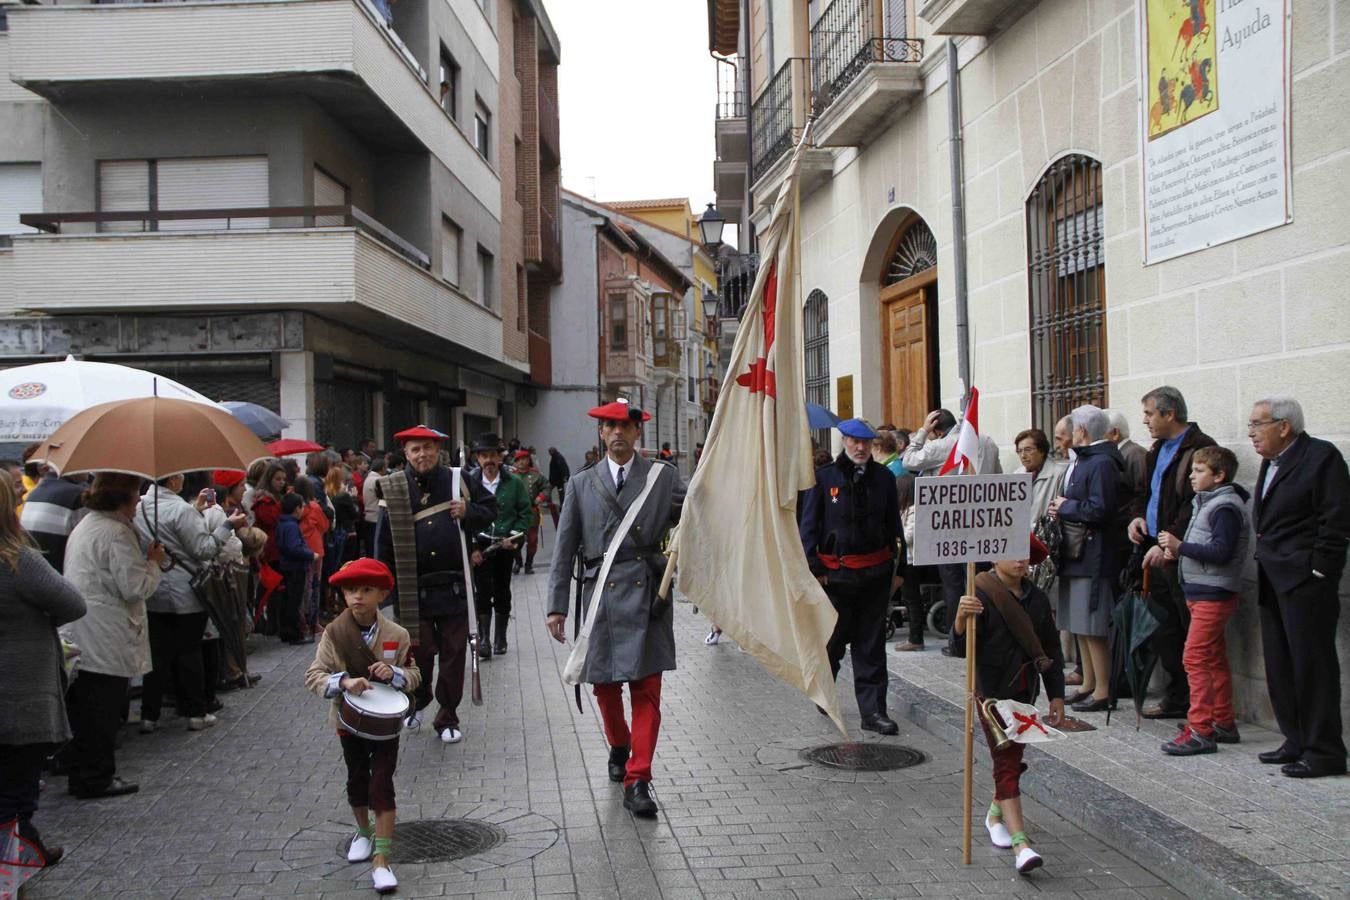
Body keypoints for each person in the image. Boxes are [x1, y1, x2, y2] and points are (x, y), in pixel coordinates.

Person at [546, 399, 684, 816]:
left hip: (647, 597)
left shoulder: (664, 478)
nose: (618, 432)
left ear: (637, 431)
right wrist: (556, 607)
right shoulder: (581, 484)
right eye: (610, 426)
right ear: (601, 433)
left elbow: (698, 515)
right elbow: (564, 547)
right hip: (599, 595)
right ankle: (620, 744)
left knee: (647, 690)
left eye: (625, 425)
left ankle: (638, 778)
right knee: (605, 687)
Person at [950, 535, 1065, 875]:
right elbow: (960, 649)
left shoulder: (1039, 599)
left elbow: (1051, 649)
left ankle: (996, 814)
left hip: (1025, 695)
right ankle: (1021, 844)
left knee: (1013, 760)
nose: (1020, 561)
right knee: (1007, 761)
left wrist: (1056, 694)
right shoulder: (979, 592)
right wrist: (959, 618)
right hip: (990, 696)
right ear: (993, 557)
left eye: (1025, 555)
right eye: (1011, 553)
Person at [304, 558, 421, 895]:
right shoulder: (334, 632)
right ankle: (364, 831)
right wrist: (343, 682)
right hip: (349, 720)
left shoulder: (396, 634)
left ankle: (381, 861)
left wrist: (396, 674)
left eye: (366, 590)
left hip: (385, 724)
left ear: (382, 594)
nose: (357, 597)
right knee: (357, 779)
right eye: (351, 590)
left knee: (382, 783)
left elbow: (415, 676)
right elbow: (314, 674)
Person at [1247, 395, 1349, 778]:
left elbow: (1335, 518)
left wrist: (1321, 570)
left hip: (1305, 581)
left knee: (1313, 666)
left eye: (1258, 425)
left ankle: (1323, 751)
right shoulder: (1270, 462)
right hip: (1273, 578)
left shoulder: (1321, 457)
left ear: (1284, 426)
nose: (1252, 433)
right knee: (1281, 664)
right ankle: (1296, 738)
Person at [375, 426, 496, 745]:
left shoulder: (459, 479)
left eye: (427, 448)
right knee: (419, 654)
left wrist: (469, 511)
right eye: (415, 449)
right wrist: (381, 586)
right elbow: (383, 541)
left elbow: (490, 511)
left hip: (454, 585)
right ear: (406, 453)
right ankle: (418, 700)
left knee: (455, 654)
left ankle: (448, 715)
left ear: (437, 450)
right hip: (413, 589)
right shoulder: (393, 486)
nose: (422, 455)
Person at [62, 473, 165, 799]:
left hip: (86, 628)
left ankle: (82, 772)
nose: (139, 502)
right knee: (102, 709)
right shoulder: (115, 533)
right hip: (105, 631)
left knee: (88, 707)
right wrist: (154, 563)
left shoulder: (88, 525)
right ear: (121, 498)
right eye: (135, 495)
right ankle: (96, 776)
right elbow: (135, 587)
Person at [0, 475, 85, 866]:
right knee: (16, 792)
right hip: (20, 693)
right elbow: (72, 603)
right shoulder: (18, 560)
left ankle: (27, 847)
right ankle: (13, 866)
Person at [800, 418, 903, 735]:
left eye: (866, 443)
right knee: (833, 644)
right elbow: (809, 529)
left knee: (871, 646)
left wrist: (900, 571)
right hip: (837, 578)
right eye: (854, 442)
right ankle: (825, 689)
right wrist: (815, 570)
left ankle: (873, 712)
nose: (860, 448)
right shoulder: (825, 479)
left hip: (874, 575)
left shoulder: (884, 478)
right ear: (844, 441)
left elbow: (893, 526)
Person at [1127, 386, 1216, 719]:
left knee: (1186, 629)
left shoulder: (1200, 448)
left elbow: (1194, 504)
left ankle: (1198, 706)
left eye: (1150, 414)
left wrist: (1171, 543)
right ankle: (1177, 697)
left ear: (1170, 414)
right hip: (1153, 549)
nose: (1146, 420)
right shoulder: (1156, 450)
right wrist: (1137, 517)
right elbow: (1144, 493)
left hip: (1180, 554)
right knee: (1164, 629)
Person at [1155, 446, 1249, 755]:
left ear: (1219, 476)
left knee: (1194, 658)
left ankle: (1201, 729)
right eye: (1192, 470)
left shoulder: (1224, 507)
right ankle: (1222, 720)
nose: (1192, 476)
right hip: (1201, 590)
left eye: (1199, 471)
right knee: (1213, 657)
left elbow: (1221, 551)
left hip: (1213, 592)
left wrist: (1180, 546)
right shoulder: (1206, 502)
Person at [135, 474, 246, 732]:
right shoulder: (179, 509)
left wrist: (195, 511)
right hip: (185, 589)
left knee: (157, 652)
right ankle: (195, 711)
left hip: (154, 586)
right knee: (188, 650)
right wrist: (227, 525)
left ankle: (148, 714)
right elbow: (203, 549)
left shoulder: (140, 507)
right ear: (173, 479)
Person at [1047, 405, 1128, 713]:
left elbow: (1101, 509)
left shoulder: (1103, 463)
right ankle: (1088, 683)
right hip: (1075, 551)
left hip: (1093, 553)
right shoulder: (1086, 461)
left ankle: (1103, 689)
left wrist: (1066, 506)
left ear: (1081, 431)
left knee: (1092, 625)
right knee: (1078, 623)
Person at [472, 434, 530, 655]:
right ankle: (484, 639)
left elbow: (524, 513)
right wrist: (473, 547)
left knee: (502, 590)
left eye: (493, 455)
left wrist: (513, 537)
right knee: (482, 592)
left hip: (505, 546)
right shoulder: (470, 482)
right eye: (484, 456)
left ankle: (500, 638)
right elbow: (463, 517)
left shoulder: (513, 482)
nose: (488, 460)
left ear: (500, 457)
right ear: (478, 458)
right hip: (482, 546)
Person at [19, 470, 87, 573]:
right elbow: (85, 548)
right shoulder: (78, 495)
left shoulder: (34, 493)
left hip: (35, 571)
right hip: (60, 575)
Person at [275, 492, 315, 644]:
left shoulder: (283, 523)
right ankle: (293, 633)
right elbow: (294, 547)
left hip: (286, 564)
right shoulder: (291, 525)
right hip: (295, 566)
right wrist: (310, 554)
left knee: (288, 599)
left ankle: (286, 631)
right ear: (297, 508)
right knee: (294, 600)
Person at [296, 477, 330, 638]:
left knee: (301, 587)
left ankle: (301, 621)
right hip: (315, 549)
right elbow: (324, 525)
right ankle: (313, 623)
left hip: (298, 549)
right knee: (314, 586)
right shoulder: (314, 507)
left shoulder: (292, 506)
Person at [512, 450, 549, 576]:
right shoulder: (511, 476)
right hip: (515, 515)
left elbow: (547, 486)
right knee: (515, 540)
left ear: (529, 460)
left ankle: (529, 564)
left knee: (532, 540)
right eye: (519, 460)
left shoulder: (536, 475)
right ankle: (518, 562)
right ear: (515, 462)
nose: (522, 462)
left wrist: (541, 497)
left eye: (525, 459)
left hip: (531, 512)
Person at [1105, 408, 1148, 504]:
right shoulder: (1118, 453)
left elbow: (1142, 493)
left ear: (1115, 433)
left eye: (1100, 433)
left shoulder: (1135, 453)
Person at [361, 457, 387, 557]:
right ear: (382, 468)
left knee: (369, 547)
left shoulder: (367, 478)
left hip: (368, 516)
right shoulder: (378, 480)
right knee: (375, 548)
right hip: (376, 517)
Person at [547, 447, 570, 525]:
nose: (549, 453)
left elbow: (562, 467)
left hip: (557, 479)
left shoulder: (557, 458)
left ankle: (555, 504)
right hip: (557, 479)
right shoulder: (557, 457)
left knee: (555, 491)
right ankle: (560, 505)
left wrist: (565, 476)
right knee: (560, 492)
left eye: (550, 451)